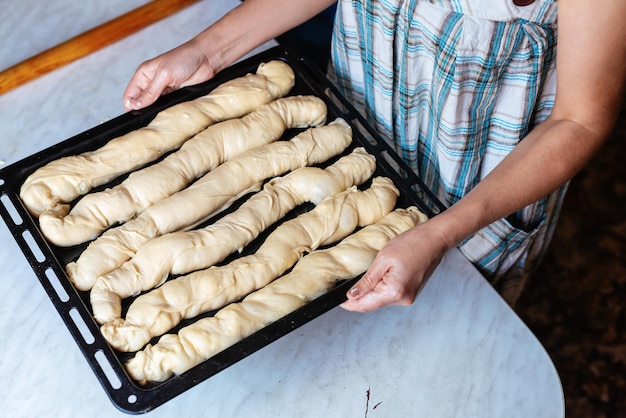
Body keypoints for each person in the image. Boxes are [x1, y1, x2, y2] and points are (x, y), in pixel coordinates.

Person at [123, 0, 626, 312]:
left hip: (478, 183)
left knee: (454, 337)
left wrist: (442, 231)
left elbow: (579, 119)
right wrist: (208, 51)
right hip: (354, 127)